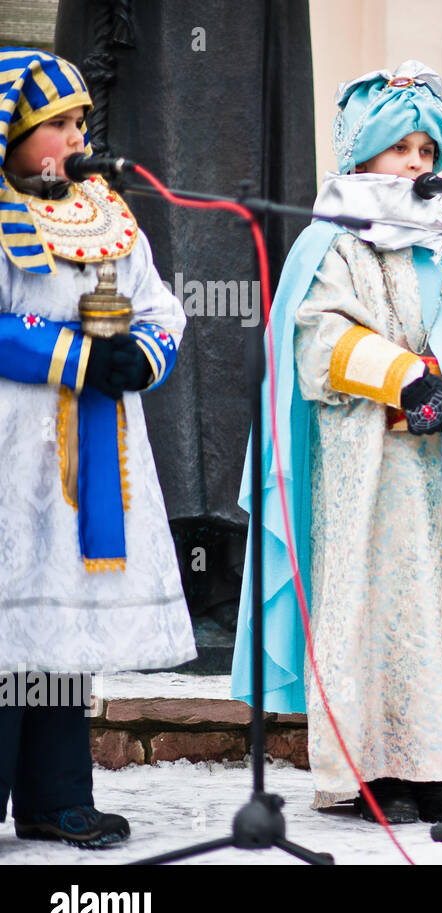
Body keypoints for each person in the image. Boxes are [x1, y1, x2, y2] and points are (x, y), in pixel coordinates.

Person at [231, 63, 442, 826]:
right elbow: (317, 341)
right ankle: (377, 768)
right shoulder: (334, 239)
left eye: (428, 151)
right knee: (388, 611)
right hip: (374, 464)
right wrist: (403, 377)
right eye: (402, 150)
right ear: (363, 155)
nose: (419, 165)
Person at [0, 48, 195, 847]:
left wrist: (143, 352)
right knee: (8, 623)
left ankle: (54, 793)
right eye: (57, 124)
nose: (76, 137)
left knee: (62, 624)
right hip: (13, 451)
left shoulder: (105, 211)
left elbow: (159, 305)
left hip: (94, 449)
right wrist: (78, 356)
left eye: (82, 121)